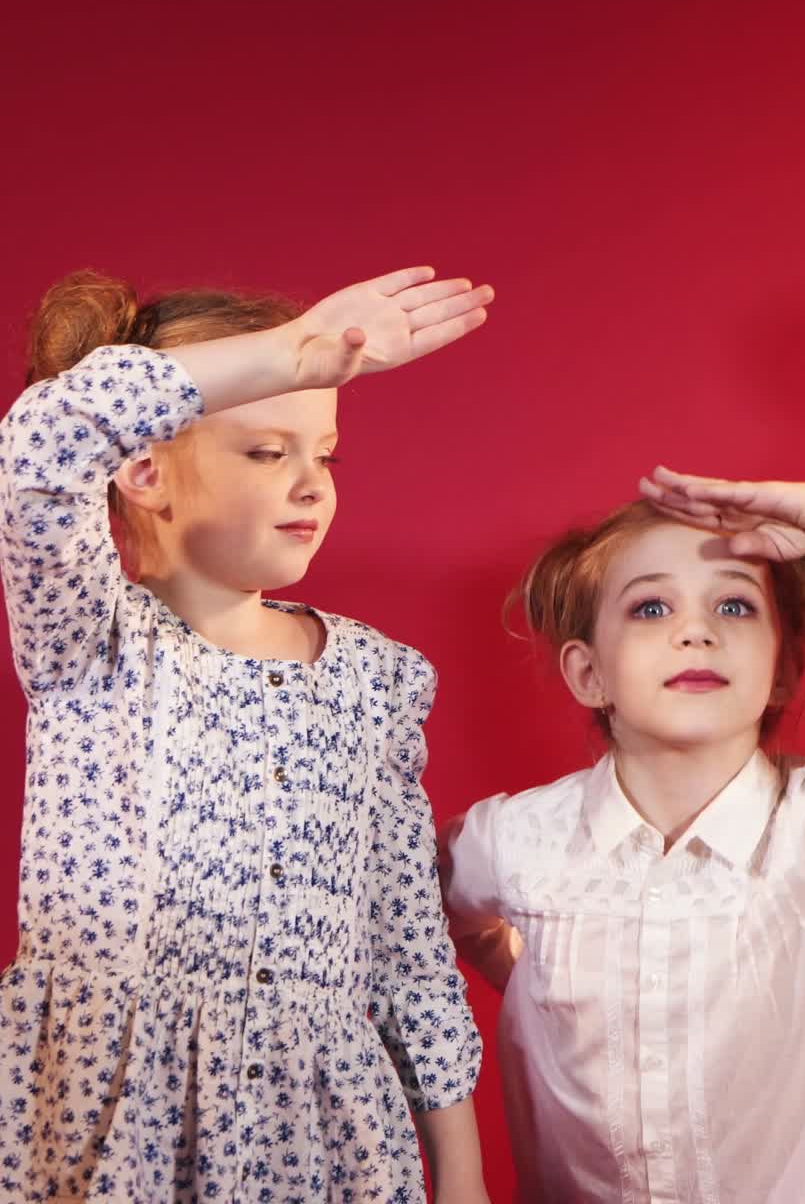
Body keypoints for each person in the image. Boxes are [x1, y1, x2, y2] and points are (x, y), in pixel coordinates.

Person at [0, 265, 494, 1202]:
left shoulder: (377, 681)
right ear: (144, 470)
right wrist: (291, 353)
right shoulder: (91, 644)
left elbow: (407, 944)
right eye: (268, 453)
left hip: (321, 1134)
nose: (311, 485)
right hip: (106, 1123)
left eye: (327, 456)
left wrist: (460, 1176)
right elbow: (41, 444)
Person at [444, 468, 805, 1202]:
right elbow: (423, 913)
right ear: (587, 674)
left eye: (734, 605)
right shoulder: (514, 840)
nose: (695, 630)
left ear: (779, 672)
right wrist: (532, 977)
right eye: (649, 609)